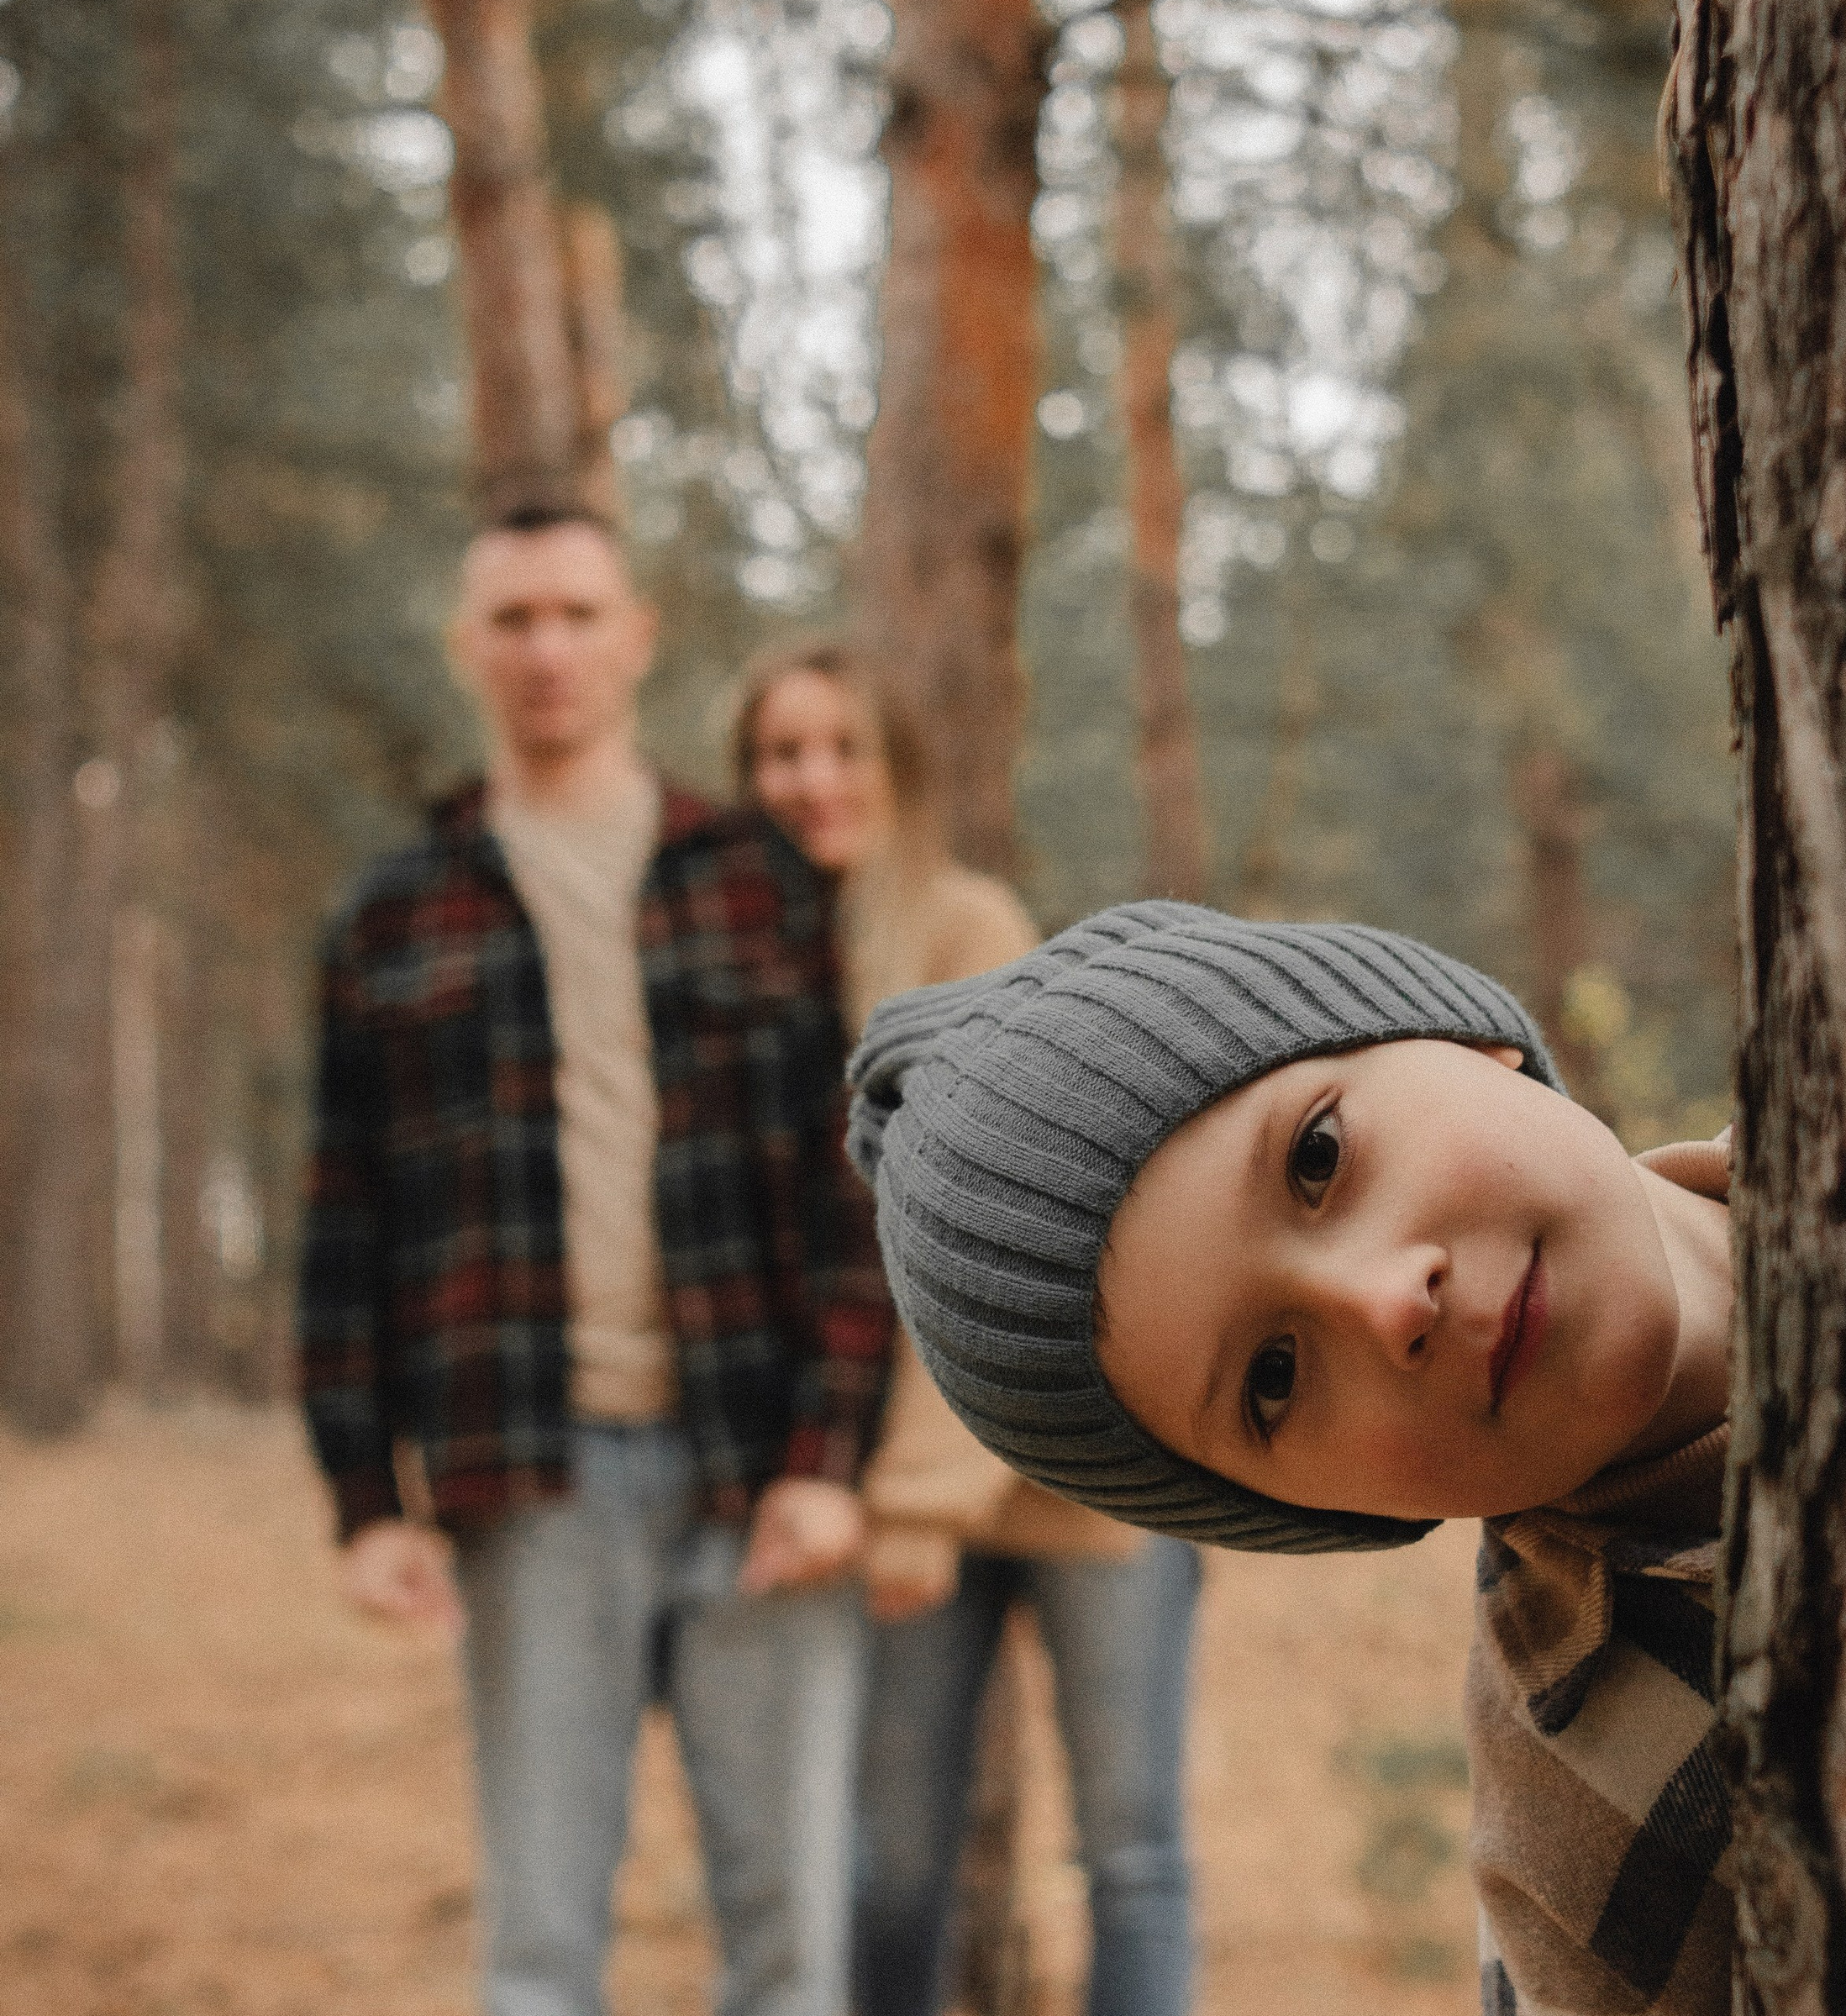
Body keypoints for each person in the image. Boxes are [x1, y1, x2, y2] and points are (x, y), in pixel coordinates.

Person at [844, 901, 1737, 2016]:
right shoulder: (1587, 1860)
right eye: (1274, 1377)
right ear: (1325, 1514)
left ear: (1460, 1034)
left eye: (1319, 1157)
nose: (1382, 1305)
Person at [298, 513, 892, 2016]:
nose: (547, 648)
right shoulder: (390, 915)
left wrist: (829, 1457)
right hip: (530, 1478)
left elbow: (852, 1202)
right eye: (512, 620)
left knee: (788, 1947)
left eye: (577, 613)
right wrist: (365, 1498)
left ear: (635, 637)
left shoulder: (760, 882)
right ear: (467, 649)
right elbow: (344, 1225)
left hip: (759, 1468)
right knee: (544, 1945)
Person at [729, 639, 1202, 2016]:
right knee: (891, 1866)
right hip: (899, 1491)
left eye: (842, 748)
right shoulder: (763, 957)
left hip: (1074, 1458)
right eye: (781, 753)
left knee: (1130, 1851)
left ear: (899, 771)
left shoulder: (963, 926)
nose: (813, 780)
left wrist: (925, 1497)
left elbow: (991, 1225)